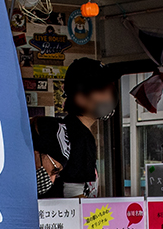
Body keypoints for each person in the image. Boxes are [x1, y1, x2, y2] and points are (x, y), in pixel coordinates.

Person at [32, 57, 117, 199]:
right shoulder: (80, 135)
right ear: (80, 97)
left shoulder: (71, 129)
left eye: (110, 88)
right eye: (102, 89)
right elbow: (74, 194)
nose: (109, 95)